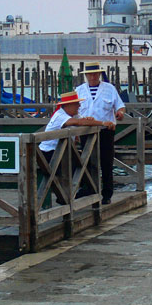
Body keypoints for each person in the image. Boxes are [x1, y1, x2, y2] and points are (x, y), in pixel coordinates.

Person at [39, 91, 112, 205]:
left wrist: (90, 121)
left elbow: (83, 121)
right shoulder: (60, 115)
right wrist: (103, 123)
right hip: (48, 154)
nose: (79, 106)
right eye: (76, 104)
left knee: (85, 167)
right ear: (68, 106)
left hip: (62, 152)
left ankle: (70, 195)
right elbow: (79, 122)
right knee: (74, 169)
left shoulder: (73, 115)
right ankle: (65, 197)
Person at [75, 62, 124, 205]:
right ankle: (90, 190)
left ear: (100, 74)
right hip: (86, 131)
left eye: (95, 73)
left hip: (105, 131)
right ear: (86, 75)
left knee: (106, 162)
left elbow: (120, 106)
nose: (93, 76)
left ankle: (107, 193)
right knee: (86, 162)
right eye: (90, 74)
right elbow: (74, 110)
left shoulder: (109, 88)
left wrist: (120, 113)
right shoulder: (79, 90)